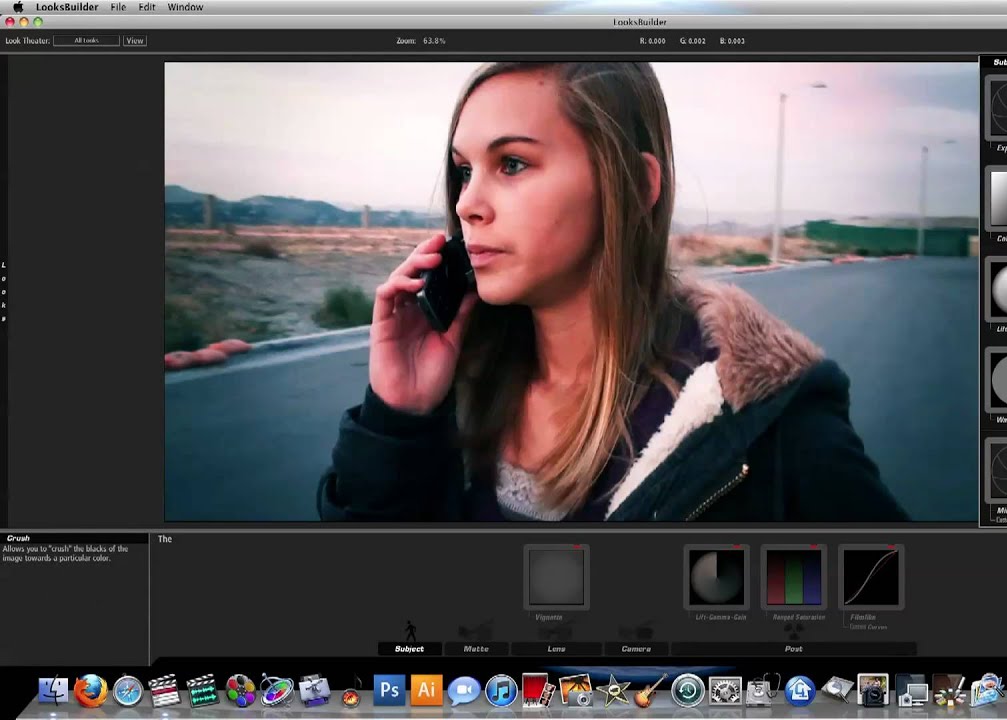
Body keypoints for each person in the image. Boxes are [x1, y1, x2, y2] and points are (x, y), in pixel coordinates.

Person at [316, 61, 906, 522]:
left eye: (513, 163)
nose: (468, 202)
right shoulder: (456, 386)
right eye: (464, 170)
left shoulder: (763, 421)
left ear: (635, 184)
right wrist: (397, 419)